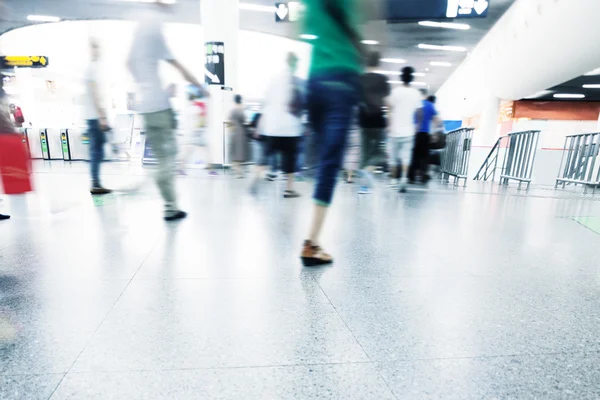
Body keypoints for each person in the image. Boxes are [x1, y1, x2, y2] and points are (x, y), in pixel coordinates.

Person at [127, 0, 203, 221]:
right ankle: (157, 196)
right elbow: (178, 66)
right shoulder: (154, 28)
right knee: (168, 160)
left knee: (164, 157)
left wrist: (144, 84)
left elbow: (128, 63)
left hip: (146, 106)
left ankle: (171, 206)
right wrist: (200, 87)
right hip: (159, 107)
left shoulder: (140, 28)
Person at [300, 0, 362, 266]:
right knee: (329, 161)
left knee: (320, 153)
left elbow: (300, 26)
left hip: (314, 80)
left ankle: (313, 236)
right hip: (343, 79)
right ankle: (312, 243)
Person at [250, 52, 303, 198]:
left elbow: (266, 104)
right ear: (295, 64)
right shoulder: (297, 81)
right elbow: (302, 104)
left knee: (266, 156)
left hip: (272, 128)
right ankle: (288, 189)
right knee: (290, 159)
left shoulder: (274, 79)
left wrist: (259, 126)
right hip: (290, 128)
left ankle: (255, 180)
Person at [358, 51, 391, 194]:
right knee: (380, 152)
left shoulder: (360, 79)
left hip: (363, 119)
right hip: (378, 120)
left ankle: (363, 187)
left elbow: (356, 100)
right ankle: (368, 170)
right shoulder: (382, 79)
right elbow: (386, 102)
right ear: (378, 63)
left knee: (364, 153)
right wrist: (389, 120)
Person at [386, 66, 422, 193]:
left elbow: (389, 108)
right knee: (406, 157)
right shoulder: (416, 94)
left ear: (401, 77)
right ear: (412, 78)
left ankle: (393, 180)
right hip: (409, 130)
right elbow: (419, 112)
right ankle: (403, 178)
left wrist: (389, 125)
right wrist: (417, 126)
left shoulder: (395, 92)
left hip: (395, 130)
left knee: (393, 157)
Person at [84, 39, 112, 196]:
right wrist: (102, 117)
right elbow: (95, 94)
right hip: (95, 117)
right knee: (96, 151)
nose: (99, 51)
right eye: (97, 48)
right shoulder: (92, 69)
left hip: (93, 116)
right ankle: (95, 184)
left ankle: (96, 182)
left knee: (98, 150)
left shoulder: (93, 69)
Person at [178, 85, 214, 175]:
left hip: (193, 132)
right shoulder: (199, 106)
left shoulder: (190, 106)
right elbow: (201, 120)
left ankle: (181, 168)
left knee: (190, 150)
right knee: (203, 149)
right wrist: (202, 127)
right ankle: (210, 169)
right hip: (197, 132)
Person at [408, 90, 441, 184]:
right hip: (425, 135)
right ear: (425, 95)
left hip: (414, 134)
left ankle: (411, 177)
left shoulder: (414, 105)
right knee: (424, 156)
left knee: (414, 155)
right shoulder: (430, 105)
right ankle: (423, 176)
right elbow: (436, 120)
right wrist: (434, 134)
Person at [228, 94, 248, 178]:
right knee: (239, 153)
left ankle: (237, 171)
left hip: (234, 132)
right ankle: (239, 172)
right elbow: (244, 120)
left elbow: (229, 121)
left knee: (234, 153)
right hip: (241, 132)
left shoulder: (232, 110)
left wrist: (230, 130)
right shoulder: (241, 109)